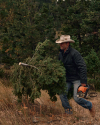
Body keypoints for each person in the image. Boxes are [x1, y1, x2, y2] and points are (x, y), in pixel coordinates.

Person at [55, 35, 95, 117]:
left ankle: (90, 106)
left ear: (68, 43)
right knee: (62, 93)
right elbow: (59, 66)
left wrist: (83, 82)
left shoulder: (75, 53)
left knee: (77, 98)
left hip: (78, 79)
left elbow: (82, 66)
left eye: (62, 43)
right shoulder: (61, 54)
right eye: (60, 43)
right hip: (67, 79)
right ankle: (68, 111)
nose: (60, 45)